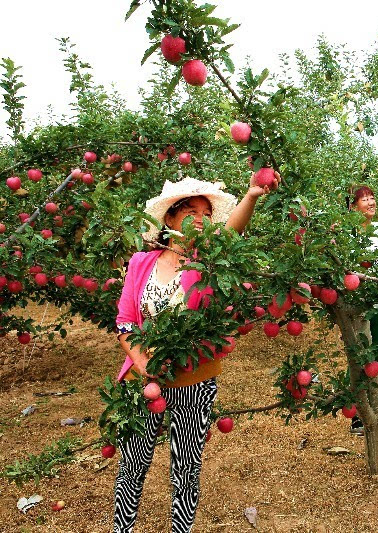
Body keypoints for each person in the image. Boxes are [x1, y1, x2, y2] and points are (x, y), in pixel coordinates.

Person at [113, 174, 273, 533]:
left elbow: (230, 233)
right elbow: (124, 321)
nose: (199, 217)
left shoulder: (208, 264)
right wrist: (144, 365)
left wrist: (251, 196)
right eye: (190, 209)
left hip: (194, 383)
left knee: (185, 471)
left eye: (205, 211)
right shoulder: (141, 262)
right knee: (131, 468)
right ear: (169, 217)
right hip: (144, 383)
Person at [346, 185, 378, 435]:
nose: (370, 202)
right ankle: (359, 416)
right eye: (364, 199)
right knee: (361, 355)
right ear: (354, 206)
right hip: (358, 303)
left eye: (372, 198)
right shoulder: (349, 233)